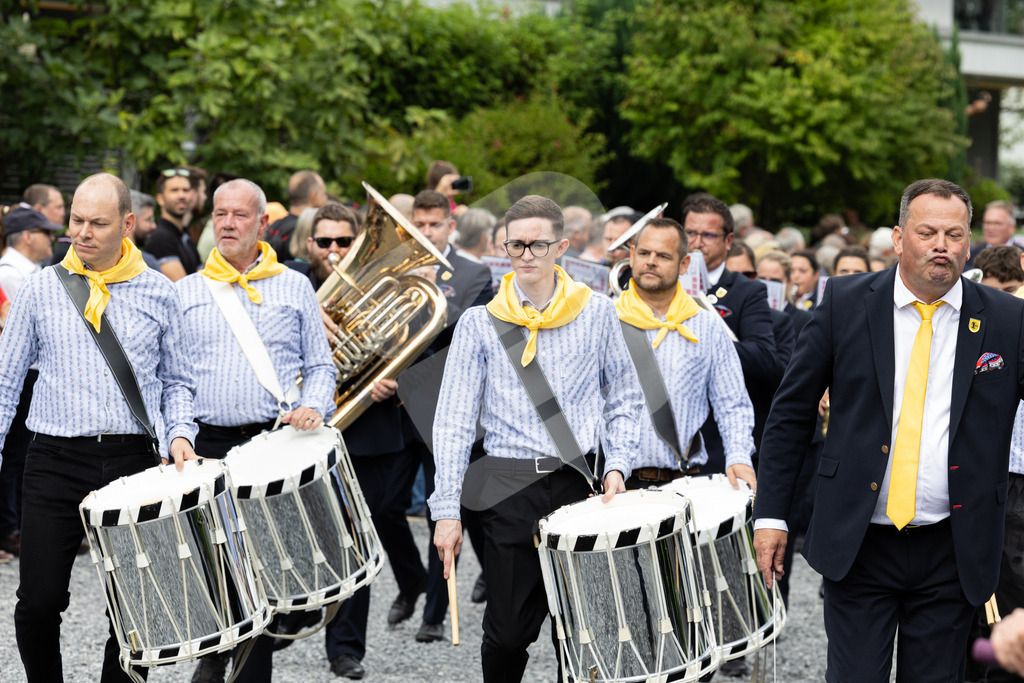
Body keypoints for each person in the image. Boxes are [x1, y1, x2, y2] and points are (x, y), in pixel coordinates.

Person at [753, 178, 1024, 681]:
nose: (941, 245)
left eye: (954, 234)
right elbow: (790, 413)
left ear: (969, 244)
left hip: (954, 546)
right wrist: (771, 515)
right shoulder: (844, 303)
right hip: (858, 540)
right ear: (899, 238)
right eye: (927, 232)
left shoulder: (1007, 319)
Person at [430, 195, 644, 682]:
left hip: (580, 483)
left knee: (585, 631)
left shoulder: (598, 313)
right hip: (507, 486)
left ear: (561, 247)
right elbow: (453, 421)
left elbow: (626, 398)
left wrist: (617, 466)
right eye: (516, 245)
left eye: (538, 244)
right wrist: (445, 511)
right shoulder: (478, 323)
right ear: (503, 247)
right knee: (507, 634)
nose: (526, 255)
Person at [0, 173, 198, 682]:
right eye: (76, 220)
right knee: (38, 601)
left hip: (135, 464)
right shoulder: (40, 288)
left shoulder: (160, 292)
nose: (82, 233)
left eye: (98, 223)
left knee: (136, 609)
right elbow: (4, 382)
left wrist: (180, 434)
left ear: (128, 225)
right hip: (53, 461)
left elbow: (177, 381)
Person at [177, 178, 336, 683]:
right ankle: (215, 653)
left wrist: (314, 405)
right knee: (214, 561)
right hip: (206, 445)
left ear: (263, 223)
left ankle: (244, 668)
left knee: (263, 570)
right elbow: (174, 379)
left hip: (270, 443)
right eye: (220, 213)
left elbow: (321, 366)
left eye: (239, 214)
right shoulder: (187, 291)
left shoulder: (294, 285)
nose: (227, 223)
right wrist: (177, 433)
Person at [403, 190, 493, 644]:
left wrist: (433, 296)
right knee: (389, 506)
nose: (427, 232)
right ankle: (414, 584)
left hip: (455, 410)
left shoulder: (475, 273)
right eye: (419, 224)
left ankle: (434, 615)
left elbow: (471, 334)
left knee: (453, 509)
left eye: (434, 224)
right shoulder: (396, 268)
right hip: (403, 409)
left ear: (450, 226)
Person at [616, 217, 755, 490]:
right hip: (615, 485)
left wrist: (739, 457)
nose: (651, 261)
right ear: (632, 256)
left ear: (684, 264)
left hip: (682, 483)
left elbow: (732, 403)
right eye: (644, 253)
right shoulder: (603, 319)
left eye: (663, 256)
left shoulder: (707, 325)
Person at [685, 193, 780, 467]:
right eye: (690, 233)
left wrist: (703, 342)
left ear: (728, 241)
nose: (697, 242)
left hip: (717, 438)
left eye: (708, 235)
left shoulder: (747, 291)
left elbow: (764, 358)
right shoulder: (666, 286)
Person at [146, 167, 200, 278]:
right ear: (160, 199)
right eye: (174, 190)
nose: (181, 195)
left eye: (185, 190)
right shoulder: (161, 238)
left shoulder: (185, 237)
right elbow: (181, 286)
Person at [265, 170, 328, 259]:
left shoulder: (275, 225)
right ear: (313, 196)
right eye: (323, 193)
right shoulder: (308, 229)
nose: (326, 198)